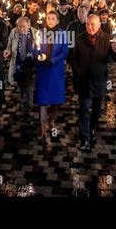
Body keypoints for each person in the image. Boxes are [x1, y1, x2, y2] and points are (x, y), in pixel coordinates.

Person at [73, 14, 116, 151]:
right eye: (88, 24)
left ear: (100, 24)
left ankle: (91, 128)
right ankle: (85, 139)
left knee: (97, 110)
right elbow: (74, 58)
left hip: (99, 81)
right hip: (84, 81)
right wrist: (78, 72)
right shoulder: (80, 38)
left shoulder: (107, 38)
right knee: (84, 110)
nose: (90, 26)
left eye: (93, 24)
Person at [34, 11, 68, 143]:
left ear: (58, 21)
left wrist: (52, 60)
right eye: (48, 18)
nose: (50, 20)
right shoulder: (40, 32)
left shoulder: (62, 34)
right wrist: (38, 56)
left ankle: (51, 119)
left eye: (53, 18)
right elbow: (35, 48)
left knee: (56, 99)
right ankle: (42, 126)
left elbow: (65, 52)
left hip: (55, 70)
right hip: (42, 70)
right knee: (42, 99)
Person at [4, 16, 38, 120]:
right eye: (19, 26)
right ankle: (24, 102)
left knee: (28, 88)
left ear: (29, 26)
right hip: (18, 65)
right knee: (21, 86)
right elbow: (9, 45)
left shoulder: (35, 33)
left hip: (30, 66)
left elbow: (40, 47)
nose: (21, 29)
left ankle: (27, 108)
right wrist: (8, 51)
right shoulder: (14, 32)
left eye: (23, 26)